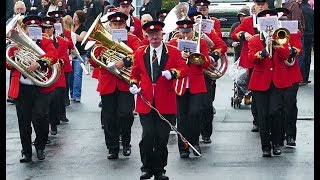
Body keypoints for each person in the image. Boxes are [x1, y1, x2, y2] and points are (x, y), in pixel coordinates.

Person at [130, 20, 189, 180]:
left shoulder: (174, 52)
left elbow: (184, 69)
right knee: (148, 136)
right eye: (151, 35)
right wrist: (133, 84)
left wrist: (173, 73)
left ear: (162, 35)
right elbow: (134, 74)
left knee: (162, 138)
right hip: (146, 102)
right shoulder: (140, 52)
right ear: (146, 36)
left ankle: (160, 170)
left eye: (157, 34)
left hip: (166, 101)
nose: (154, 37)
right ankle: (146, 168)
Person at [88, 12, 141, 159]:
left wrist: (125, 61)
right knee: (109, 118)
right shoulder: (102, 41)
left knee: (126, 114)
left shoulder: (132, 38)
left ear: (125, 25)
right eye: (114, 24)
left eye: (120, 24)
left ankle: (126, 142)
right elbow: (93, 61)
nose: (117, 26)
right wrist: (99, 53)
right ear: (110, 26)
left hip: (125, 83)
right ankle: (112, 147)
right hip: (108, 83)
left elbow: (138, 54)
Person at [6, 15, 58, 162]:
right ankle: (26, 151)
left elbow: (54, 56)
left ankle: (40, 146)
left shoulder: (46, 40)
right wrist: (16, 57)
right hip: (22, 89)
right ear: (25, 28)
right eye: (30, 27)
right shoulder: (17, 42)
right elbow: (8, 64)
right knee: (23, 122)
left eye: (36, 27)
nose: (33, 29)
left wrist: (40, 63)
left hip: (40, 89)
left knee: (40, 118)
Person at [248, 9, 292, 157]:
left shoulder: (280, 37)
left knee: (276, 112)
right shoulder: (254, 39)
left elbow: (286, 55)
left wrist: (276, 44)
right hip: (260, 82)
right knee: (263, 115)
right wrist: (264, 51)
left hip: (277, 81)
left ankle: (277, 143)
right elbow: (251, 59)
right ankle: (265, 146)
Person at [168, 19, 210, 158]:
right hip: (180, 84)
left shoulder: (201, 42)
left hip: (195, 83)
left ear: (193, 31)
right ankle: (183, 147)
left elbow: (207, 63)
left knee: (195, 113)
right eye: (183, 32)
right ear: (179, 31)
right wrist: (181, 56)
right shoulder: (173, 44)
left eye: (188, 31)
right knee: (182, 117)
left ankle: (194, 141)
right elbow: (168, 63)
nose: (186, 35)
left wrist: (195, 58)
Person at [188, 11, 228, 144]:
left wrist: (213, 57)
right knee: (189, 108)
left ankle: (206, 133)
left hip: (204, 73)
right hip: (187, 74)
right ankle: (191, 133)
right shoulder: (182, 34)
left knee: (206, 105)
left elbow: (222, 45)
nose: (195, 25)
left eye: (197, 22)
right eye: (193, 22)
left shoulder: (208, 33)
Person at [231, 0, 269, 132]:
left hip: (269, 61)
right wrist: (243, 34)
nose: (260, 7)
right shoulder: (247, 21)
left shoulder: (272, 19)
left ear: (267, 6)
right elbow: (234, 34)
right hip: (252, 60)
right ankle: (257, 120)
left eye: (263, 5)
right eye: (258, 5)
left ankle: (267, 119)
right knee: (255, 92)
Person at [275, 7, 303, 147]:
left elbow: (299, 48)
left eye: (285, 20)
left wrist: (293, 50)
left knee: (290, 106)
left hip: (291, 75)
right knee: (278, 107)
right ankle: (278, 135)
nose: (283, 22)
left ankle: (290, 135)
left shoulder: (295, 33)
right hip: (277, 74)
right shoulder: (271, 34)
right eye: (280, 20)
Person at [7, 1, 28, 105]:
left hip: (27, 47)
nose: (19, 11)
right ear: (15, 10)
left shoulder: (28, 20)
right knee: (13, 69)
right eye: (18, 9)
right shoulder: (10, 21)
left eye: (21, 9)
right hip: (14, 47)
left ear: (25, 9)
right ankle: (12, 95)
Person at [69, 10, 87, 102]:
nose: (74, 18)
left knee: (77, 74)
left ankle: (77, 96)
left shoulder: (83, 28)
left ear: (80, 18)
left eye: (76, 17)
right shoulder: (71, 26)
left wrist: (71, 33)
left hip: (80, 54)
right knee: (70, 75)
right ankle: (72, 94)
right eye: (73, 16)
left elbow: (81, 38)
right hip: (71, 54)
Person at [299, 0, 313, 85]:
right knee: (307, 56)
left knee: (301, 56)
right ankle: (305, 77)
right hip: (309, 34)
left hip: (301, 34)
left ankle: (300, 77)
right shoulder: (311, 11)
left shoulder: (299, 9)